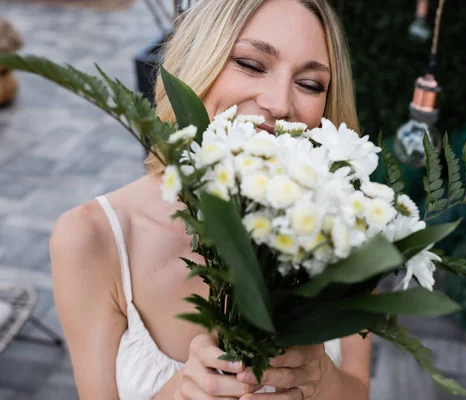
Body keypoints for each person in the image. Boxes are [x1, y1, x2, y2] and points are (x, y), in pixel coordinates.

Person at [50, 0, 371, 399]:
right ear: (195, 62)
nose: (280, 104)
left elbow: (358, 389)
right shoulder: (93, 237)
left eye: (309, 84)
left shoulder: (343, 227)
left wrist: (319, 377)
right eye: (252, 64)